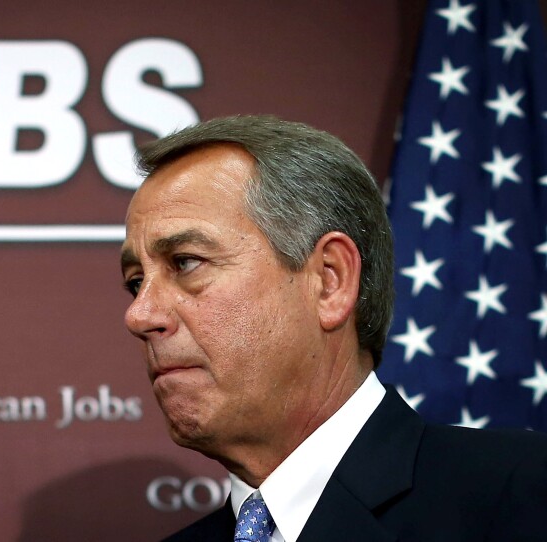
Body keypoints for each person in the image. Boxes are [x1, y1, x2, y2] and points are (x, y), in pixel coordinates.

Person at [119, 115, 547, 542]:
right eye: (136, 282)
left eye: (186, 262)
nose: (139, 315)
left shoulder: (523, 495)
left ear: (329, 280)